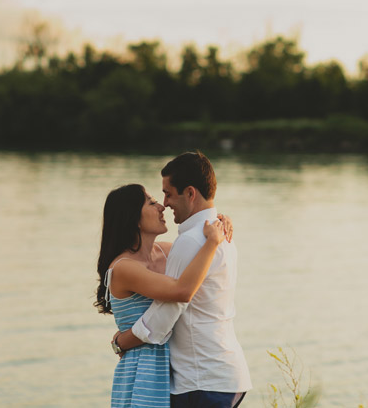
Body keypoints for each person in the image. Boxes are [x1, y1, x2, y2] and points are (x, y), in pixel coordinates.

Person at [113, 151, 252, 408]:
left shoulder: (190, 242)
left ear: (190, 193)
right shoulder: (218, 234)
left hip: (202, 379)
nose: (164, 203)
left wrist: (123, 340)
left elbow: (168, 310)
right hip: (225, 374)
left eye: (167, 193)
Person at [95, 183, 232, 408]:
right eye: (151, 203)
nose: (162, 207)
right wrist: (212, 241)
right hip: (142, 375)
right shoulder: (123, 268)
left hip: (176, 370)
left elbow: (199, 255)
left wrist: (221, 220)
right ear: (134, 219)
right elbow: (181, 291)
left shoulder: (166, 251)